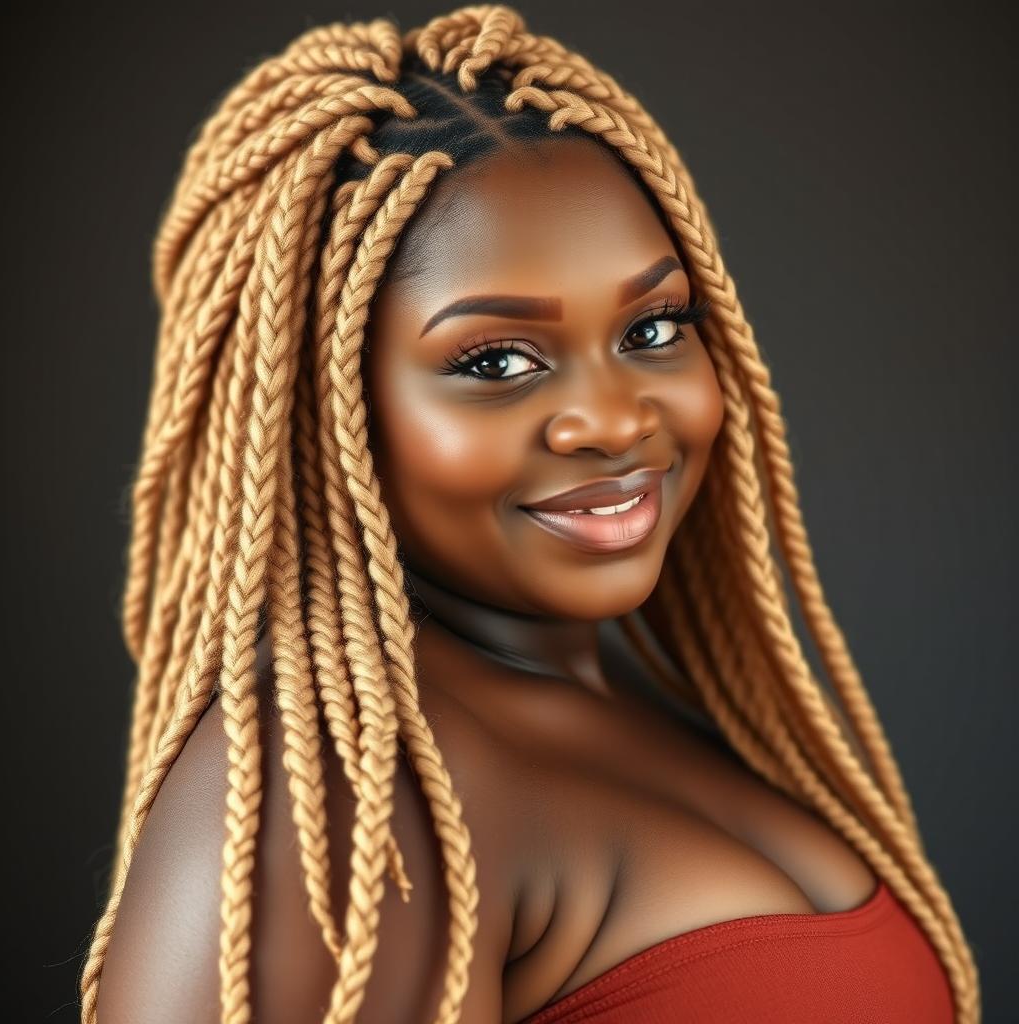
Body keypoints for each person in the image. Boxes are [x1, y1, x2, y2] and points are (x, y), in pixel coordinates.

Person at [79, 5, 980, 1022]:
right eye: (495, 361)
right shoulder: (338, 794)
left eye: (651, 326)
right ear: (314, 409)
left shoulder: (669, 702)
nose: (611, 418)